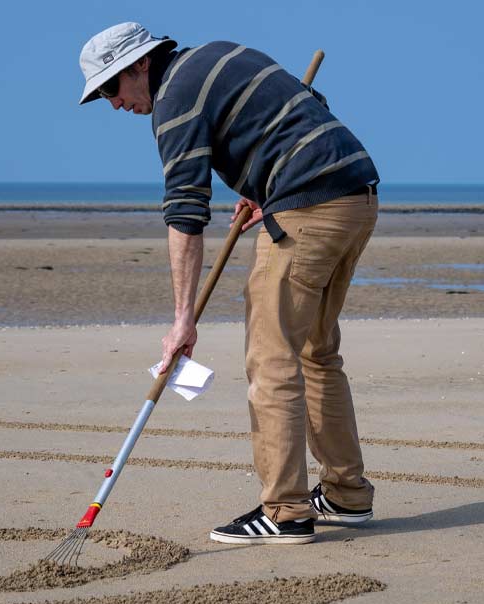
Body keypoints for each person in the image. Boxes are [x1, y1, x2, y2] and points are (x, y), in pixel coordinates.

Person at [79, 22, 379, 545]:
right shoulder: (223, 53)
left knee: (272, 359)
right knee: (315, 352)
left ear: (140, 64)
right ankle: (346, 494)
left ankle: (286, 512)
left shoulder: (175, 101)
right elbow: (306, 103)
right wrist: (269, 182)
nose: (113, 104)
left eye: (111, 88)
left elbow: (185, 212)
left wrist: (182, 321)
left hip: (309, 206)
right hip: (355, 194)